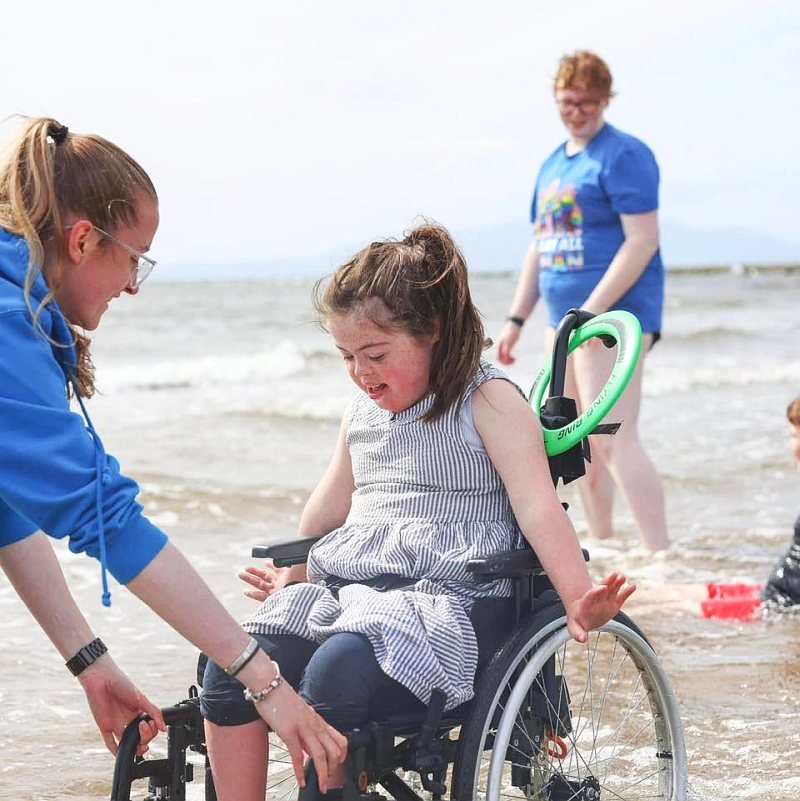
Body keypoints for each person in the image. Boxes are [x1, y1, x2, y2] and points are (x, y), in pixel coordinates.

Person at [200, 222, 636, 800]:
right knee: (232, 666)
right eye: (347, 356)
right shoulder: (361, 413)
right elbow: (328, 508)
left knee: (336, 673)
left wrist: (579, 600)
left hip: (456, 601)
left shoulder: (486, 400)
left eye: (375, 354)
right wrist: (295, 575)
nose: (361, 372)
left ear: (431, 330)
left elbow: (537, 508)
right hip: (357, 593)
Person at [0, 116, 346, 791]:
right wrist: (263, 678)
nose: (134, 284)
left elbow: (7, 512)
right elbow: (107, 518)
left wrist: (89, 660)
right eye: (136, 257)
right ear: (81, 240)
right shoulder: (8, 327)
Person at [495, 50, 668, 552]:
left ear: (605, 100)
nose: (578, 111)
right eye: (568, 102)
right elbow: (540, 244)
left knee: (614, 438)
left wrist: (590, 312)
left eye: (588, 103)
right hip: (564, 321)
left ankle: (661, 555)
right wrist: (515, 317)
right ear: (556, 99)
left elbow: (642, 242)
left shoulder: (623, 155)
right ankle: (607, 546)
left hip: (611, 318)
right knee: (576, 443)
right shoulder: (552, 164)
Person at [761, 396, 800, 607]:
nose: (790, 446)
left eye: (795, 436)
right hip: (778, 589)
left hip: (782, 603)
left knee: (668, 609)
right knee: (666, 594)